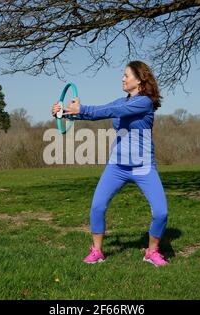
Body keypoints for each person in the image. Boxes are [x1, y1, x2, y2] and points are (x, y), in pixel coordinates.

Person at [51, 61, 169, 267]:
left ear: (140, 79)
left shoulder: (145, 103)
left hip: (143, 167)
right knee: (97, 207)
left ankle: (152, 251)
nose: (122, 79)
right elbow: (105, 110)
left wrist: (81, 108)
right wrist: (65, 112)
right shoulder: (120, 102)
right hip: (117, 166)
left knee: (161, 212)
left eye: (126, 75)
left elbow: (112, 110)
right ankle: (97, 251)